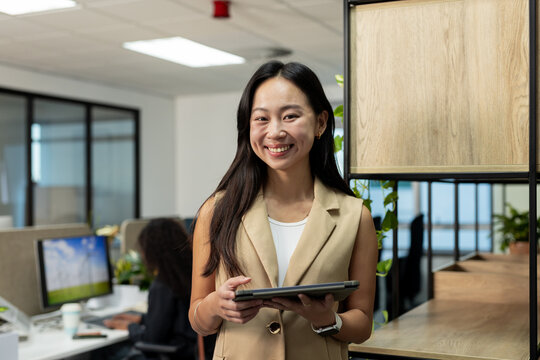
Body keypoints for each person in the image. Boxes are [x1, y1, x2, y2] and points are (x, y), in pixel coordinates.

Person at [189, 61, 378, 360]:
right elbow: (198, 319)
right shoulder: (217, 211)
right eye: (261, 119)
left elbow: (363, 323)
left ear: (320, 123)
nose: (275, 132)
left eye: (290, 116)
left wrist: (327, 320)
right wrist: (215, 305)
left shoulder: (355, 217)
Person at [104, 218, 198, 360]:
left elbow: (151, 339)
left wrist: (130, 327)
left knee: (107, 351)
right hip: (191, 352)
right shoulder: (192, 274)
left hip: (175, 354)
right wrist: (141, 319)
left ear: (152, 251)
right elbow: (177, 321)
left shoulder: (163, 284)